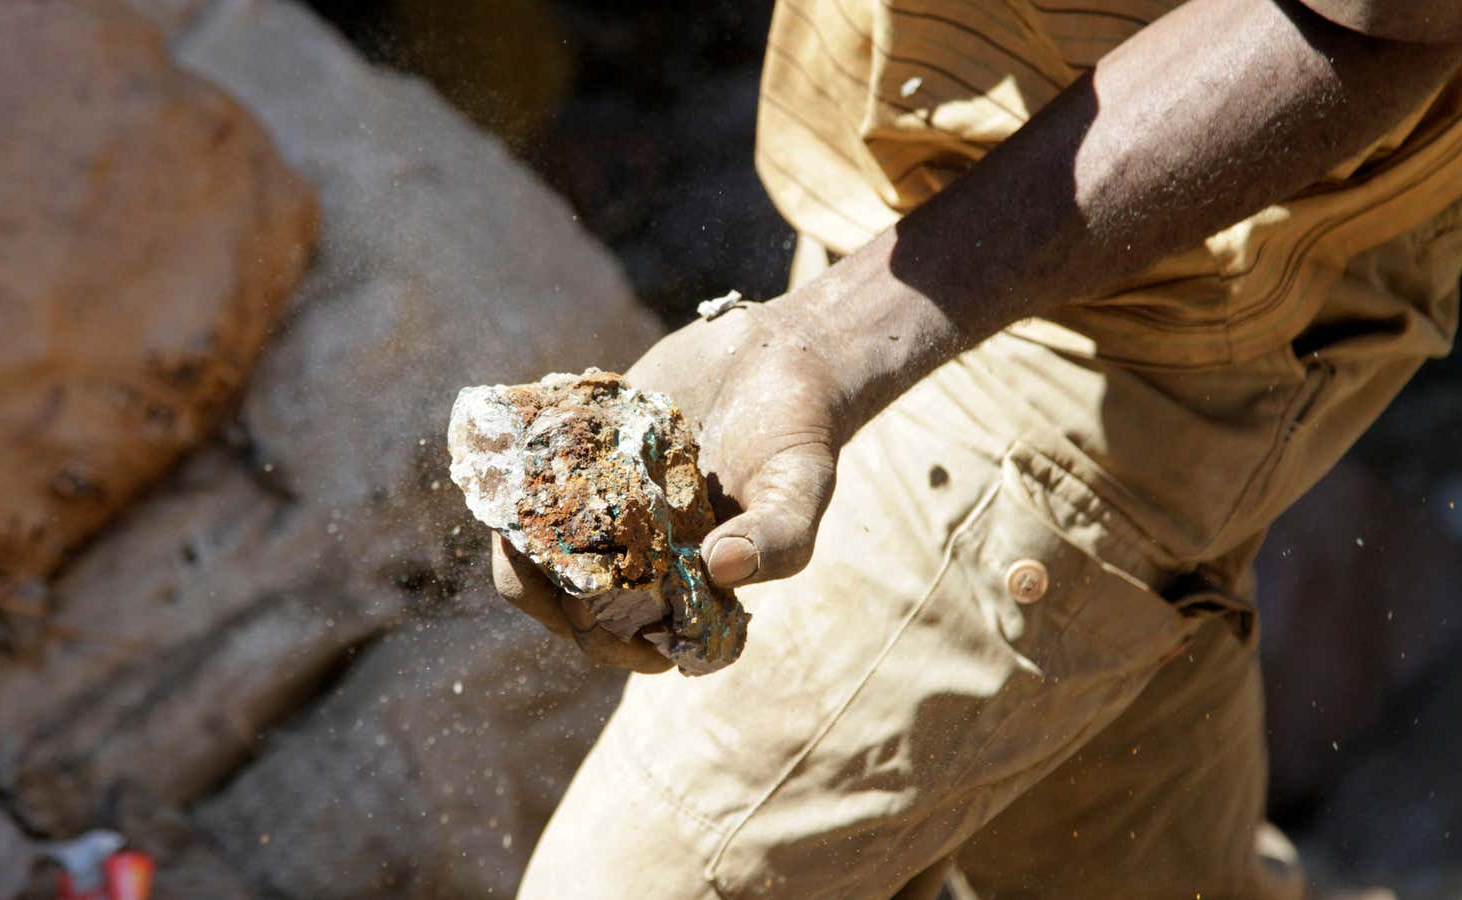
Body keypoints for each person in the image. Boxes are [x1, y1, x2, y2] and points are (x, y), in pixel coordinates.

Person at [500, 0, 1462, 896]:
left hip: (1129, 313)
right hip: (900, 216)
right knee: (1107, 840)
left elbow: (1381, 19)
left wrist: (833, 341)